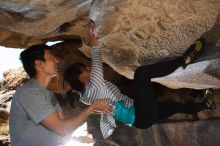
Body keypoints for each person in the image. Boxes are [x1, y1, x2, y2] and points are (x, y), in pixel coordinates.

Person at [63, 25, 216, 138]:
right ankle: (185, 59)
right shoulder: (94, 83)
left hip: (140, 120)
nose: (90, 68)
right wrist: (91, 35)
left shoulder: (86, 99)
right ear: (81, 77)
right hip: (139, 114)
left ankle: (206, 105)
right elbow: (96, 53)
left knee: (175, 106)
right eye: (86, 69)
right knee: (141, 74)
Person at [9, 44, 113, 146]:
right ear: (39, 63)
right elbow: (62, 128)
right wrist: (92, 107)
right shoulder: (30, 92)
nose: (57, 61)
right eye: (51, 57)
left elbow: (64, 125)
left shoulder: (48, 93)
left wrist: (93, 109)